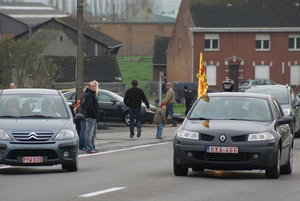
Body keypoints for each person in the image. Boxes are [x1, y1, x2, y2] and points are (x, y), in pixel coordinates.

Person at [80, 81, 101, 154]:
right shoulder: (89, 95)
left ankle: (92, 147)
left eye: (94, 86)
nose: (93, 87)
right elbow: (89, 107)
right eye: (92, 86)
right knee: (90, 133)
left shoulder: (93, 95)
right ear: (89, 87)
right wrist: (95, 114)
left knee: (94, 134)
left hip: (94, 117)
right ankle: (89, 148)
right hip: (90, 117)